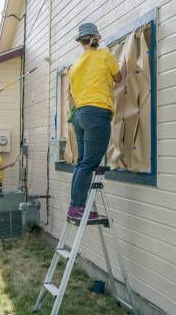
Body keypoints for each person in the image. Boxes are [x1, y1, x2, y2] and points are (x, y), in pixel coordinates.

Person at [67, 23, 122, 219]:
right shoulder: (104, 55)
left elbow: (72, 92)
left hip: (79, 115)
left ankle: (76, 205)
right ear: (95, 39)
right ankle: (77, 206)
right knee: (89, 163)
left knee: (82, 163)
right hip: (97, 113)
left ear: (81, 41)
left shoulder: (75, 65)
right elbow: (119, 77)